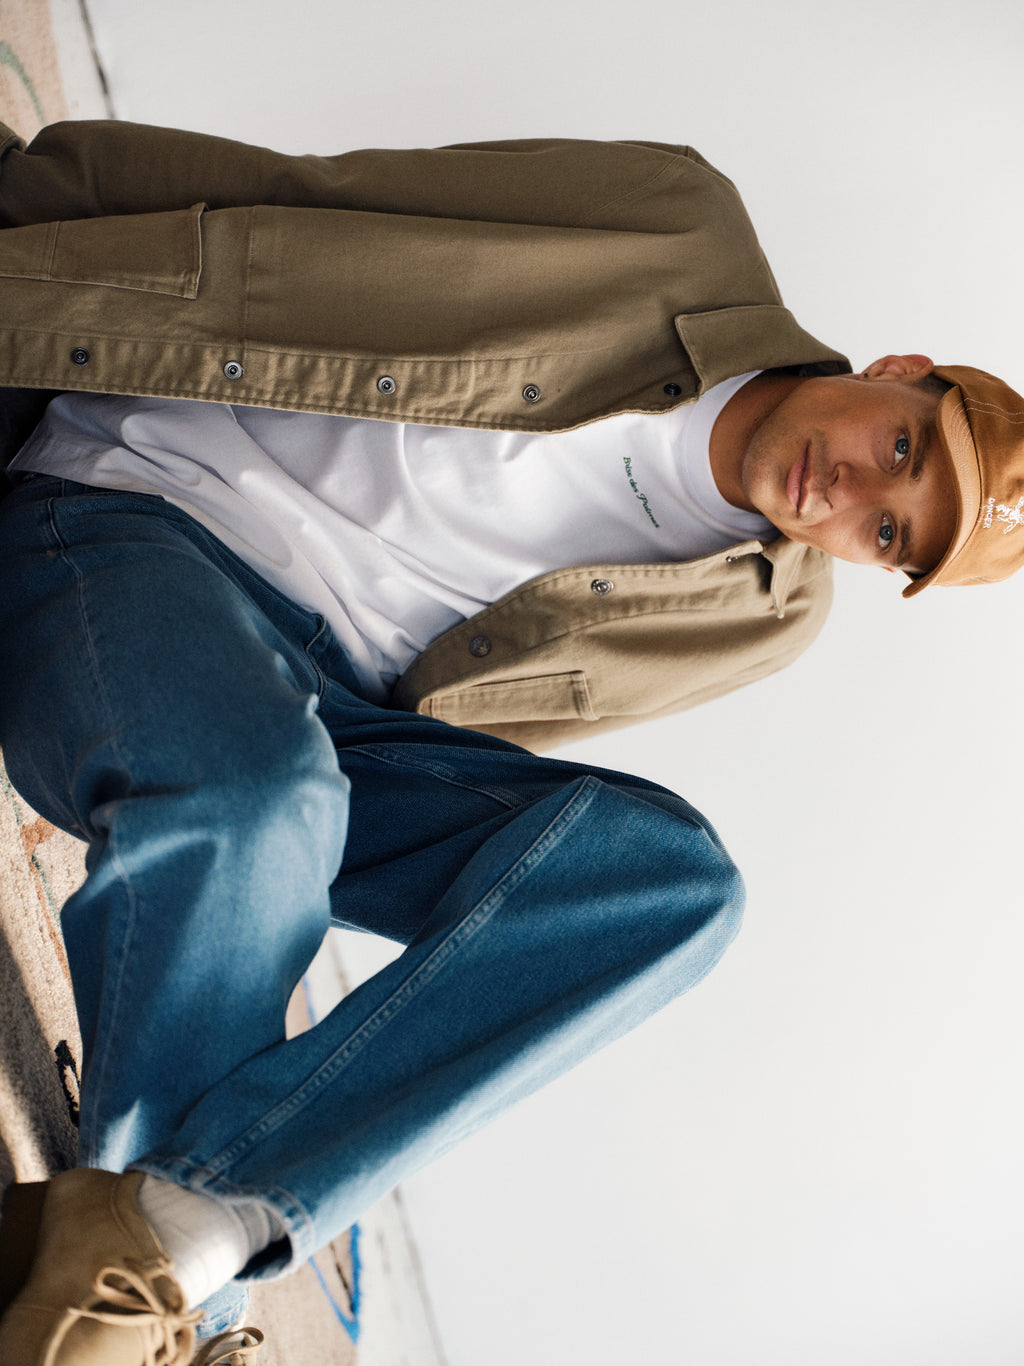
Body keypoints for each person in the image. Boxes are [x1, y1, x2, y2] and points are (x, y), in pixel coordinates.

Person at [0, 120, 1021, 1366]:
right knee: (269, 803)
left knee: (674, 883)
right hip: (140, 516)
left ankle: (160, 1238)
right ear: (902, 368)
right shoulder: (676, 222)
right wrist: (45, 193)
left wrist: (300, 839)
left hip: (315, 700)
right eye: (899, 449)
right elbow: (326, 193)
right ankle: (180, 1306)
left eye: (887, 533)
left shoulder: (767, 612)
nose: (847, 494)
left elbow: (490, 722)